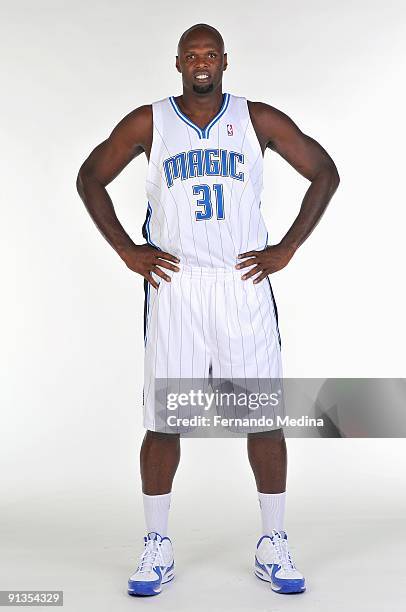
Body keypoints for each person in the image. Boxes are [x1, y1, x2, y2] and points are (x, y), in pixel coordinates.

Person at [76, 23, 340, 597]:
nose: (202, 63)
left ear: (225, 60)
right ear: (177, 63)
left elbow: (324, 170)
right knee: (166, 421)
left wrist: (288, 247)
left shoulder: (256, 118)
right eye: (192, 55)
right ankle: (156, 544)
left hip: (242, 280)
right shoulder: (150, 121)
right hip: (176, 283)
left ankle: (273, 541)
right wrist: (127, 249)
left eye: (211, 54)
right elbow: (90, 177)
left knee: (263, 417)